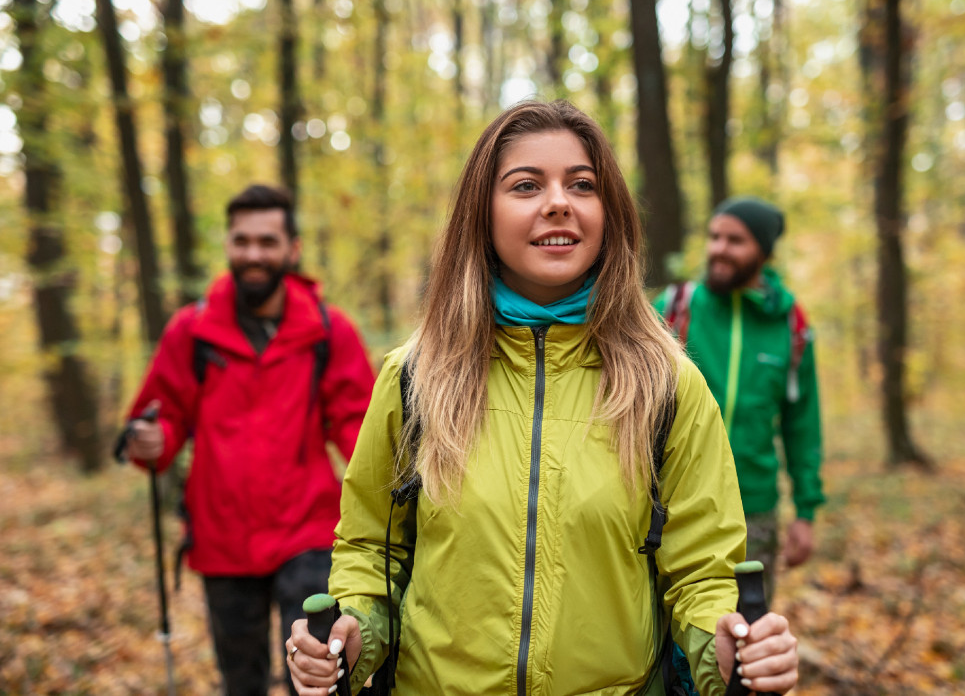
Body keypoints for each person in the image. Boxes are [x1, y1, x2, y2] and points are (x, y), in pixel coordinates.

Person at [285, 101, 799, 696]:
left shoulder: (666, 384)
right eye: (526, 185)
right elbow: (372, 550)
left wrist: (732, 651)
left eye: (582, 185)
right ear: (482, 214)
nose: (559, 202)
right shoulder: (416, 377)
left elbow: (702, 574)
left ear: (609, 214)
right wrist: (351, 635)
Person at [124, 184, 376, 696]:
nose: (254, 254)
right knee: (241, 682)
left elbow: (362, 431)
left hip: (307, 534)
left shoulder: (328, 331)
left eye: (267, 241)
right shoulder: (191, 331)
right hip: (221, 540)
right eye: (242, 242)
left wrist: (401, 487)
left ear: (293, 248)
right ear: (228, 245)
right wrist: (149, 439)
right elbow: (161, 418)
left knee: (317, 678)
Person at [656, 196, 825, 606]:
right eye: (714, 237)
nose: (719, 248)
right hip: (669, 502)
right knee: (662, 631)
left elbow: (802, 425)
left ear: (763, 253)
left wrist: (805, 512)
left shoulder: (790, 326)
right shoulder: (676, 308)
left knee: (748, 632)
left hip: (755, 510)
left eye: (735, 240)